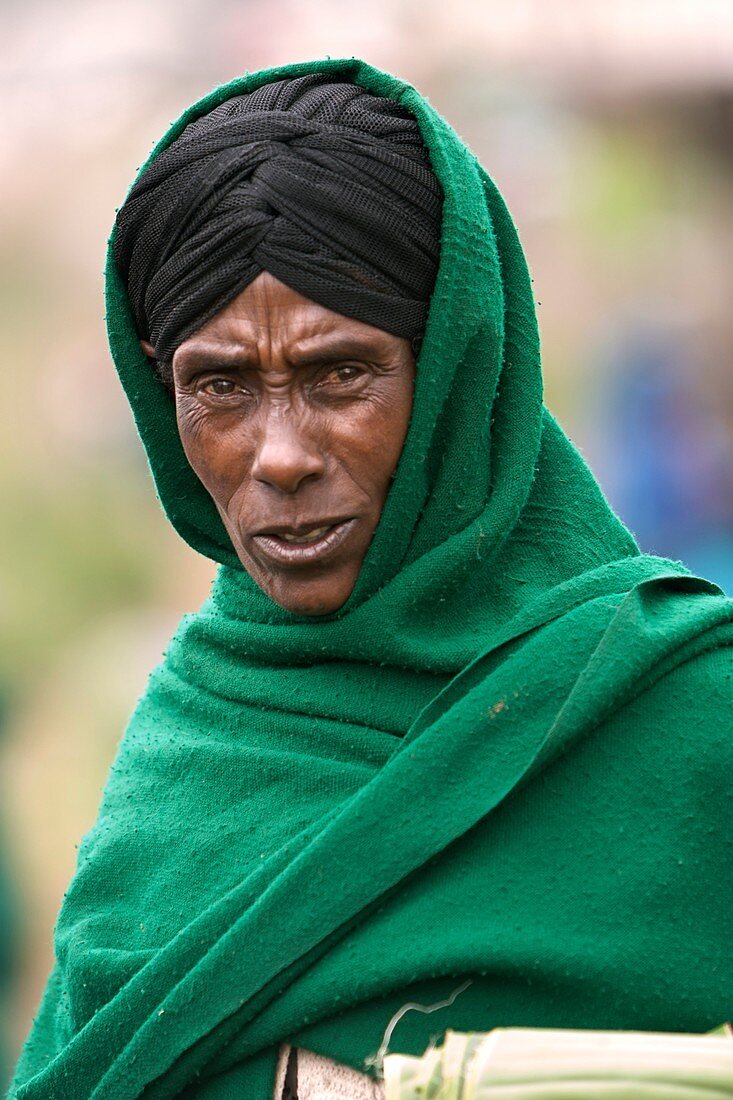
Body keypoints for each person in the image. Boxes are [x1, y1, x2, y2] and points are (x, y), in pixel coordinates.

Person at [10, 59, 732, 1100]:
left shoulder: (684, 718)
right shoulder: (190, 749)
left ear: (455, 370)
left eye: (339, 372)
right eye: (217, 385)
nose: (279, 454)